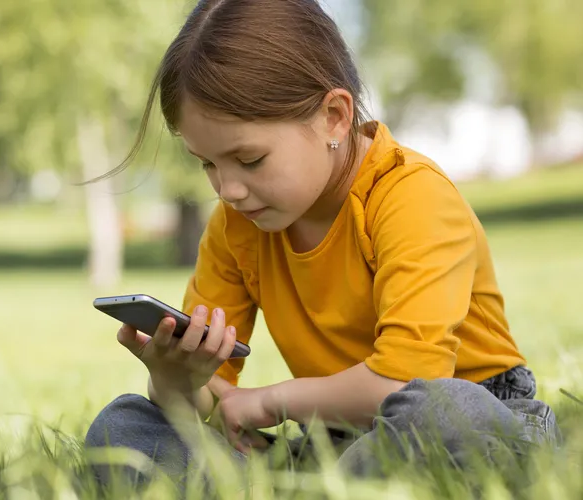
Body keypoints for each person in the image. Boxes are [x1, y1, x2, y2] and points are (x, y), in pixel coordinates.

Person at [83, 0, 560, 492]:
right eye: (207, 163)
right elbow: (215, 400)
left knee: (440, 412)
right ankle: (325, 485)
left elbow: (405, 381)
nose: (228, 189)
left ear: (334, 117)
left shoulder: (412, 196)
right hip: (337, 439)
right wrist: (175, 381)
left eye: (250, 159)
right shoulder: (236, 226)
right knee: (122, 428)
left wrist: (272, 402)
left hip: (464, 412)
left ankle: (305, 487)